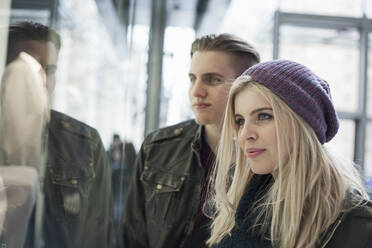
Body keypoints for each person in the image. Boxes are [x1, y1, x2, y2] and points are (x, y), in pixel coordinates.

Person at [207, 59, 372, 248]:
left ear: (302, 125)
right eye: (240, 121)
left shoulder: (356, 226)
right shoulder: (239, 204)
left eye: (264, 116)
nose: (245, 135)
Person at [121, 34, 260, 248]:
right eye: (192, 78)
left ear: (246, 86)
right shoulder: (158, 148)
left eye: (213, 80)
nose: (197, 92)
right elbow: (131, 238)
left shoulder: (265, 156)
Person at [2, 21, 112, 248]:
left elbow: (96, 235)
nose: (39, 79)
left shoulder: (85, 143)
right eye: (27, 67)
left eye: (49, 70)